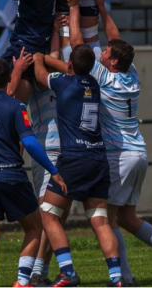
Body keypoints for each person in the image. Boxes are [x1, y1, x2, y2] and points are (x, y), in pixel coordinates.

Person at [38, 0, 152, 285]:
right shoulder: (130, 74)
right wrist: (103, 7)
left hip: (119, 154)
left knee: (106, 219)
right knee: (127, 218)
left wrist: (72, 8)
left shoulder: (103, 78)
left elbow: (77, 47)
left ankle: (126, 278)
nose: (102, 53)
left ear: (113, 62)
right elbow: (118, 40)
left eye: (106, 52)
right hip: (139, 152)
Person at [32, 23, 124, 288]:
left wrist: (39, 58)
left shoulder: (63, 84)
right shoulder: (94, 84)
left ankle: (67, 271)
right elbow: (77, 68)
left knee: (48, 214)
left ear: (70, 66)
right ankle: (116, 278)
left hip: (74, 158)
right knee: (99, 220)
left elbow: (40, 75)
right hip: (98, 158)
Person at [0, 58, 65, 288]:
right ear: (10, 78)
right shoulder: (15, 105)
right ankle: (21, 282)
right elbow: (29, 143)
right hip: (10, 176)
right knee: (34, 227)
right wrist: (53, 170)